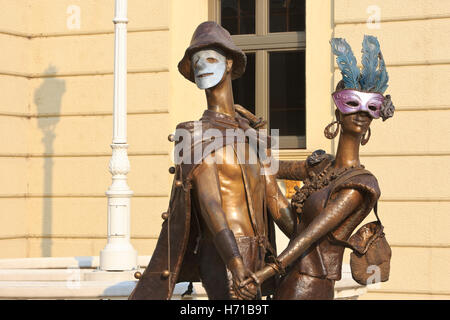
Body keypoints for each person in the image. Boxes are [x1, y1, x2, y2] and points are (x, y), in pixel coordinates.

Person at [129, 21, 295, 300]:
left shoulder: (250, 134)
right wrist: (235, 262)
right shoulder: (192, 133)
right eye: (196, 62)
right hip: (224, 256)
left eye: (209, 58)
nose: (201, 66)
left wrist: (306, 239)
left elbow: (274, 199)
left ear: (229, 63)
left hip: (261, 252)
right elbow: (211, 204)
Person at [238, 35, 395, 299]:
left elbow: (311, 236)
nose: (362, 115)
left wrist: (264, 273)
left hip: (312, 286)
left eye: (371, 109)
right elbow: (271, 170)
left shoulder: (359, 185)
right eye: (353, 105)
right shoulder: (320, 166)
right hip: (290, 277)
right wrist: (252, 131)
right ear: (338, 114)